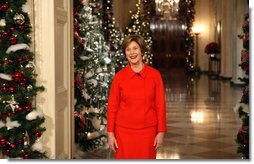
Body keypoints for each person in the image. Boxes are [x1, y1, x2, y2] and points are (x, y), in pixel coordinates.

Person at [107, 34, 167, 159]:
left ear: (142, 51)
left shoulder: (155, 75)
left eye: (135, 48)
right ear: (125, 53)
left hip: (148, 133)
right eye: (128, 49)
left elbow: (160, 106)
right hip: (123, 133)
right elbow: (112, 107)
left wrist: (161, 132)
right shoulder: (119, 77)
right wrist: (110, 134)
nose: (132, 52)